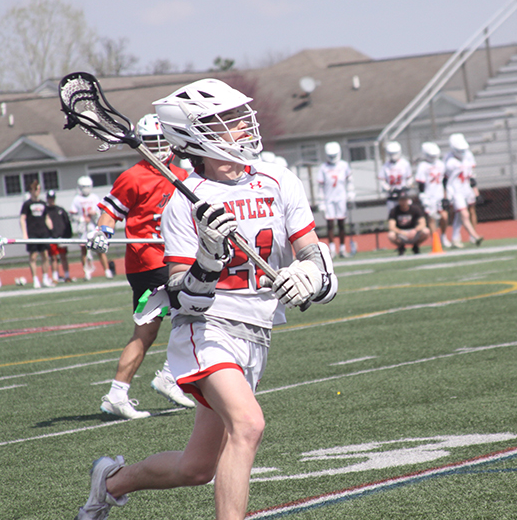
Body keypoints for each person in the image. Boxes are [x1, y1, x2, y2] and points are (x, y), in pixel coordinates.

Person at [76, 78, 338, 520]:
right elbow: (184, 297)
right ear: (196, 134)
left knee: (197, 468)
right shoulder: (184, 204)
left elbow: (317, 259)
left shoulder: (278, 179)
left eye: (240, 116)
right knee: (249, 424)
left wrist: (308, 276)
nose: (243, 125)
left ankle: (110, 482)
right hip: (208, 329)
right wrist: (208, 257)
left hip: (257, 330)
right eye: (229, 120)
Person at [86, 113, 195, 419]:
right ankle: (170, 376)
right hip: (149, 261)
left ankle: (116, 395)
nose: (159, 147)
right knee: (194, 315)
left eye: (163, 141)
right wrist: (102, 232)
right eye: (152, 142)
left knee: (145, 333)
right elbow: (110, 212)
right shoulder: (133, 176)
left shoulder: (180, 175)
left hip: (174, 257)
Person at [444, 133, 483, 248]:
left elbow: (471, 176)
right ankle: (475, 236)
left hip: (466, 188)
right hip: (455, 191)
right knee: (464, 214)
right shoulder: (449, 160)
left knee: (462, 214)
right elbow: (445, 180)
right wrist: (446, 196)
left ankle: (455, 239)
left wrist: (476, 192)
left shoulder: (468, 156)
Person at [71, 176, 113, 280]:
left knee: (100, 248)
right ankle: (87, 272)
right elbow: (73, 215)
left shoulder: (94, 197)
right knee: (84, 251)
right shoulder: (77, 199)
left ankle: (107, 271)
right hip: (83, 229)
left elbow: (100, 212)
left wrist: (95, 214)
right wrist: (81, 219)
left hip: (94, 227)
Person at [317, 141, 355, 258]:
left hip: (341, 198)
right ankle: (332, 249)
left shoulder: (343, 165)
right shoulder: (323, 167)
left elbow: (349, 181)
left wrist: (350, 193)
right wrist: (321, 201)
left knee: (342, 223)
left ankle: (342, 248)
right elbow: (320, 186)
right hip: (329, 199)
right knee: (330, 224)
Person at [19, 180, 55, 288]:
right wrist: (25, 234)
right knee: (33, 256)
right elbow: (22, 219)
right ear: (30, 191)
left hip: (43, 233)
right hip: (32, 233)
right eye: (35, 189)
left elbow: (46, 217)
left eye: (38, 189)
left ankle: (45, 278)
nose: (37, 191)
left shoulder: (43, 204)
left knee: (45, 255)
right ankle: (35, 279)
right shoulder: (27, 204)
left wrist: (51, 228)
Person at [415, 142, 450, 248]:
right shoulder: (423, 166)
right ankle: (435, 239)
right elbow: (420, 183)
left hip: (439, 194)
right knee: (432, 218)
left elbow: (444, 180)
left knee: (444, 216)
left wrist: (445, 195)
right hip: (429, 195)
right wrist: (423, 196)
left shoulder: (440, 164)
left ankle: (443, 236)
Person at [387, 187, 429, 255]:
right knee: (391, 235)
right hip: (401, 233)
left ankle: (416, 245)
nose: (403, 202)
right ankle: (401, 246)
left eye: (404, 199)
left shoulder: (415, 209)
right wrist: (402, 232)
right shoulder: (394, 211)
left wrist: (415, 230)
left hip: (413, 231)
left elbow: (423, 223)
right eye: (401, 200)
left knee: (426, 231)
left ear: (407, 200)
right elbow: (391, 227)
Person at [44, 190, 73, 283]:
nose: (51, 200)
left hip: (62, 237)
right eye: (49, 198)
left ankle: (67, 275)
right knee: (53, 257)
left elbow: (67, 223)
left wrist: (67, 235)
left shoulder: (60, 210)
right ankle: (55, 277)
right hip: (51, 238)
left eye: (52, 198)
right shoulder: (45, 211)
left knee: (63, 256)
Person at [378, 140, 413, 214]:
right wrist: (389, 189)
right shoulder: (385, 166)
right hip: (392, 195)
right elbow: (382, 180)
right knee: (393, 214)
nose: (393, 155)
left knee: (407, 214)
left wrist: (406, 186)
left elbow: (409, 177)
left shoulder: (405, 164)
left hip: (403, 195)